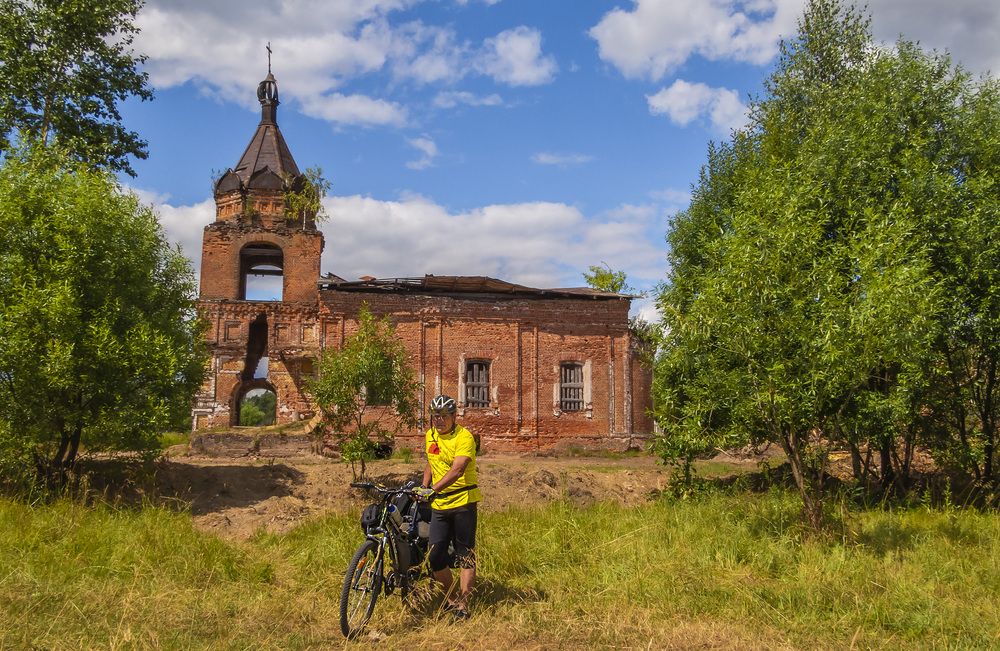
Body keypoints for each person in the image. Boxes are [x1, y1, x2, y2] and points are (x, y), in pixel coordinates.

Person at [417, 394, 482, 620]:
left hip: (463, 502)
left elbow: (458, 470)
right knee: (435, 555)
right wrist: (424, 486)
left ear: (454, 416)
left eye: (444, 416)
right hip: (440, 505)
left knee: (465, 554)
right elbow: (431, 462)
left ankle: (464, 605)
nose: (439, 420)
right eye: (435, 416)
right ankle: (452, 598)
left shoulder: (464, 438)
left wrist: (433, 489)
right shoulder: (430, 435)